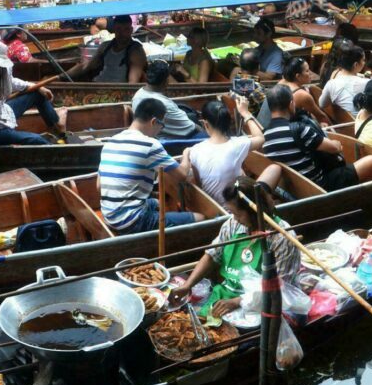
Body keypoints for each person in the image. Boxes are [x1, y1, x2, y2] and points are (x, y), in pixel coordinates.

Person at [171, 177, 300, 317]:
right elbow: (212, 255)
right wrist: (187, 286)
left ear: (254, 212)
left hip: (264, 303)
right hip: (228, 291)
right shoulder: (233, 224)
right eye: (232, 213)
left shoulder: (282, 237)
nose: (234, 218)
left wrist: (237, 302)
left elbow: (278, 288)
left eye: (237, 214)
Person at [97, 98, 204, 234]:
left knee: (158, 203)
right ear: (154, 122)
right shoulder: (150, 145)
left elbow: (98, 186)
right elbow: (182, 174)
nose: (160, 131)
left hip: (109, 215)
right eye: (161, 126)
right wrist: (186, 154)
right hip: (131, 221)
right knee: (200, 218)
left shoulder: (110, 142)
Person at [263, 85, 372, 190]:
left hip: (296, 188)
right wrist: (335, 142)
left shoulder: (265, 136)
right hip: (320, 185)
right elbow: (335, 148)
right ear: (291, 104)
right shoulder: (299, 129)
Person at [187, 98, 274, 205]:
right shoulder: (237, 144)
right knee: (274, 168)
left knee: (241, 172)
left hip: (215, 210)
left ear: (206, 124)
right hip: (237, 207)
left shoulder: (195, 150)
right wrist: (245, 112)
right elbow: (261, 138)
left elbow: (200, 184)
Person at [63, 15, 146, 83]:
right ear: (114, 30)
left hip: (119, 91)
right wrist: (61, 76)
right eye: (118, 29)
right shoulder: (105, 46)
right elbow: (86, 66)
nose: (122, 33)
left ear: (131, 30)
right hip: (98, 84)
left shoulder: (136, 51)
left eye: (126, 29)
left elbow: (133, 82)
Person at [131, 60, 202, 138]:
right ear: (166, 82)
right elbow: (192, 128)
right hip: (171, 141)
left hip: (154, 135)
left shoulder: (137, 95)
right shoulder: (164, 104)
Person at [278, 57, 330, 125]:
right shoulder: (302, 95)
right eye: (307, 71)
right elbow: (321, 116)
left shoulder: (282, 81)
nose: (311, 73)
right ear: (298, 76)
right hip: (286, 130)